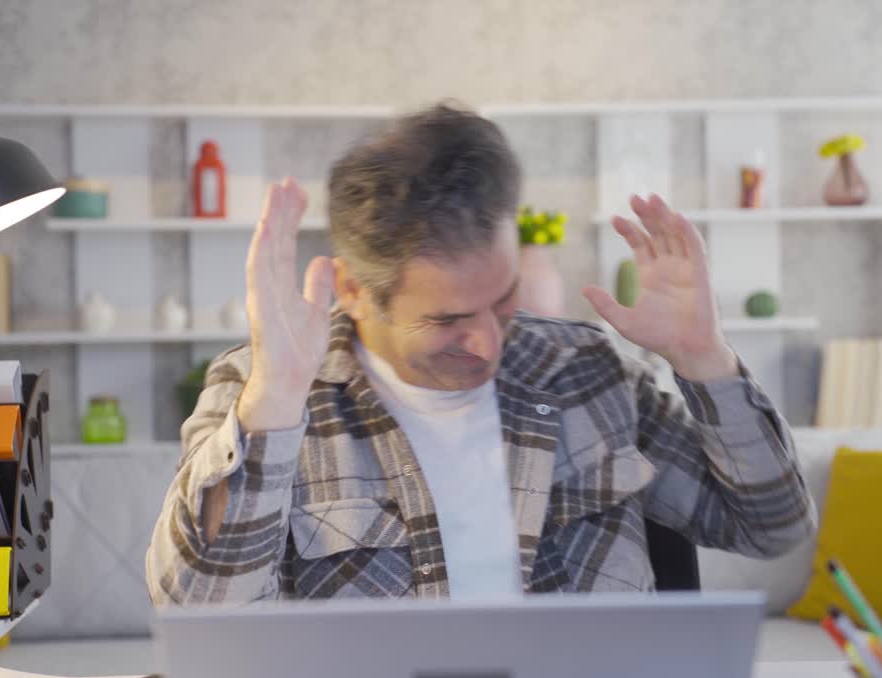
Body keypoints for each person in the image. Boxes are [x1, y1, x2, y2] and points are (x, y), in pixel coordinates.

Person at [146, 102, 816, 605]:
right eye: (448, 319)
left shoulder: (587, 371)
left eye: (503, 299)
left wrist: (704, 359)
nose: (490, 342)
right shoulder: (258, 385)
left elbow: (773, 529)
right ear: (352, 291)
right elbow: (199, 610)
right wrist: (274, 404)